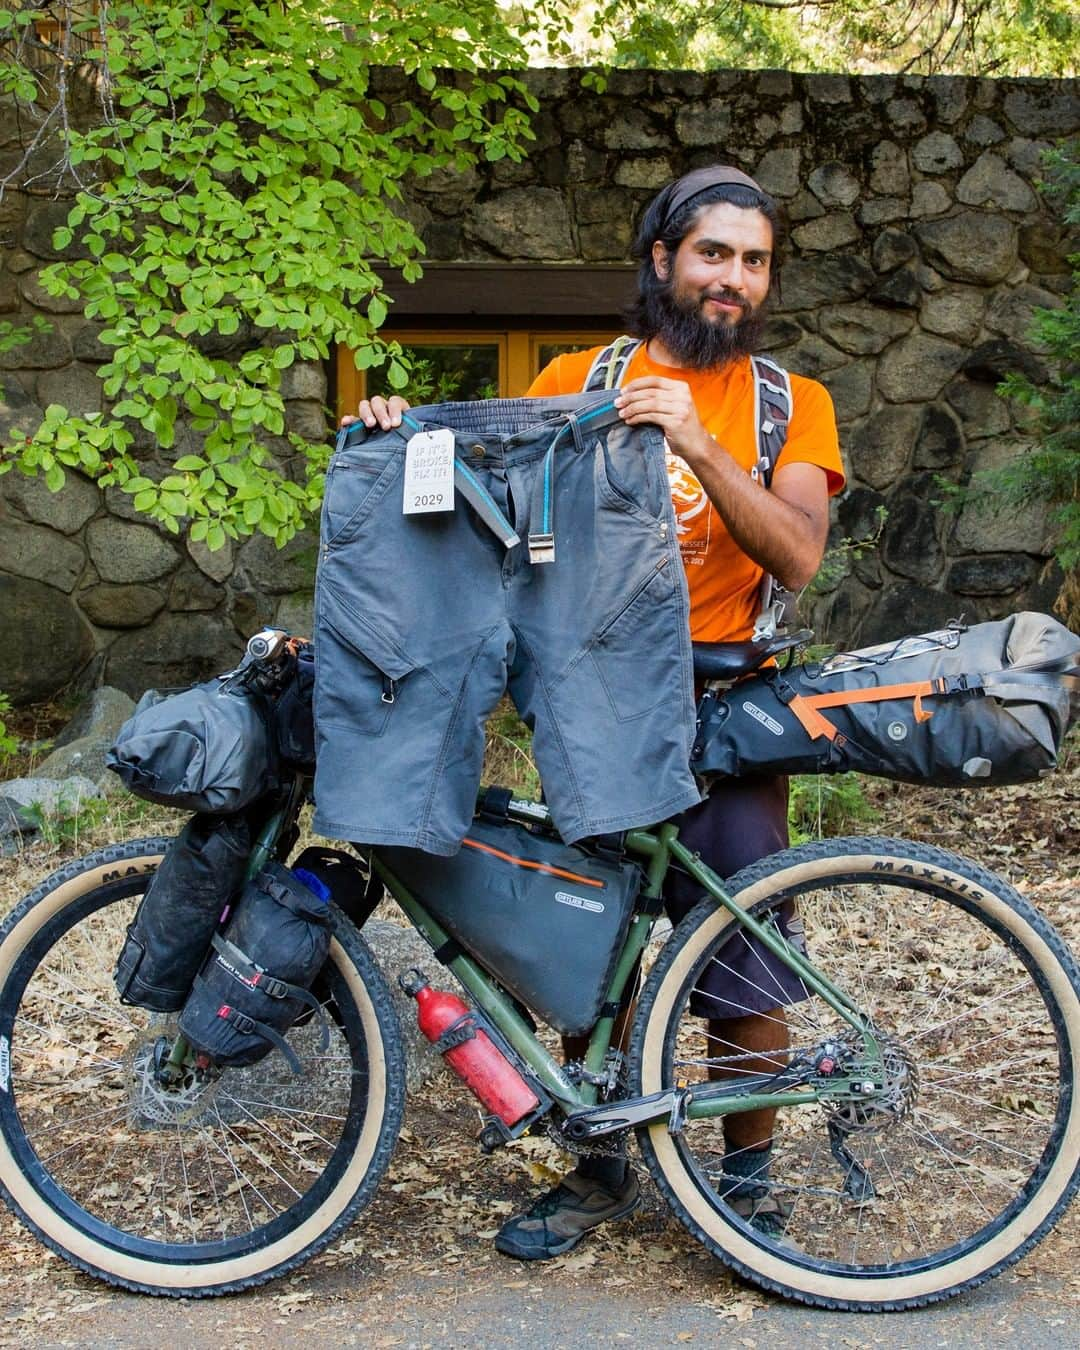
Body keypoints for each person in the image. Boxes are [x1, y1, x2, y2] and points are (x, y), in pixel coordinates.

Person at [344, 164, 845, 1260]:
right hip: (597, 703)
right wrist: (396, 429)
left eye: (754, 261)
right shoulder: (581, 375)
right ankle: (602, 1164)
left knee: (746, 965)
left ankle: (749, 1193)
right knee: (592, 946)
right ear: (663, 259)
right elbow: (468, 482)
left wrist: (699, 444)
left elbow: (799, 555)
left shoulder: (786, 404)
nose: (733, 280)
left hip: (729, 712)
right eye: (713, 253)